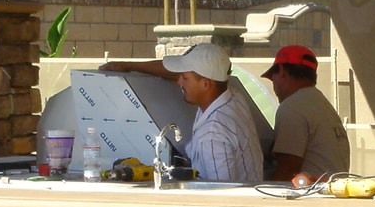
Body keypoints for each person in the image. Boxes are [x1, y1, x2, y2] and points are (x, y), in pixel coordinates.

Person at [101, 43, 262, 184]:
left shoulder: (213, 133)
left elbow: (220, 193)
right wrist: (130, 66)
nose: (178, 81)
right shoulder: (231, 96)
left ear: (205, 83)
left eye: (185, 78)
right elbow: (175, 73)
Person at [262, 45, 349, 182]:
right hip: (333, 194)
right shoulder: (322, 105)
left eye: (273, 77)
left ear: (283, 71)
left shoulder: (292, 107)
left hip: (311, 197)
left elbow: (287, 169)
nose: (274, 86)